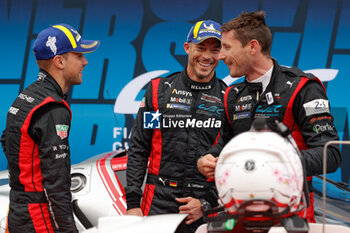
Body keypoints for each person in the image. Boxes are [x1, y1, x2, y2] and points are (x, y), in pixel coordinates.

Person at [197, 11, 341, 223]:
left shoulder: (302, 87)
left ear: (252, 47)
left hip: (290, 214)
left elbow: (331, 154)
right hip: (238, 214)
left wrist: (275, 163)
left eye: (227, 47)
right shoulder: (232, 94)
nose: (220, 56)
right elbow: (223, 145)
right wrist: (206, 159)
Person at [125, 20, 227, 232]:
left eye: (214, 50)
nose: (207, 56)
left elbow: (231, 162)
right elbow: (139, 148)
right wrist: (133, 204)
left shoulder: (228, 98)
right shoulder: (159, 91)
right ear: (187, 47)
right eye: (201, 47)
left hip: (202, 205)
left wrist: (207, 203)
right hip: (159, 200)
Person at [1, 24, 99, 233]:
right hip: (39, 218)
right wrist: (67, 230)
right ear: (59, 61)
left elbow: (7, 141)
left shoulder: (27, 96)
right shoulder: (53, 108)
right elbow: (57, 184)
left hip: (18, 211)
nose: (85, 61)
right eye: (79, 55)